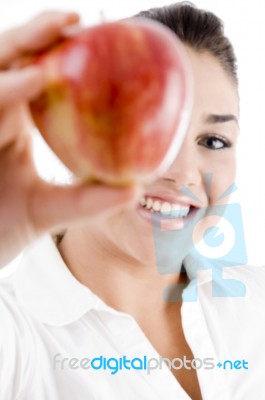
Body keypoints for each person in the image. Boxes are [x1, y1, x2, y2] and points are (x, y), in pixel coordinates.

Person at [0, 3, 264, 400]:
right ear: (76, 133)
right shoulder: (14, 336)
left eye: (213, 141)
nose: (182, 171)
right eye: (153, 126)